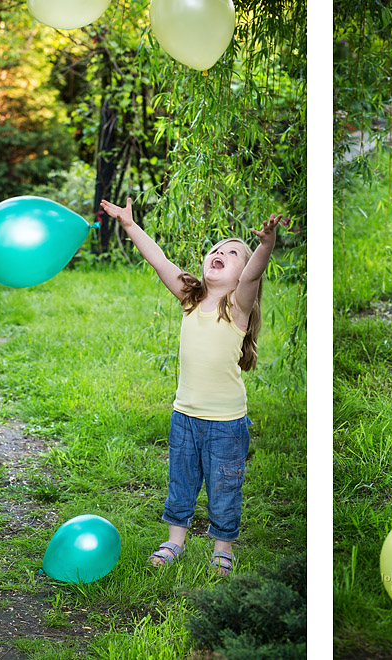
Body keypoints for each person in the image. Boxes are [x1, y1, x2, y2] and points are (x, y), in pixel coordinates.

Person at [99, 197, 288, 575]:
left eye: (232, 253)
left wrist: (265, 244)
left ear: (240, 274)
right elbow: (160, 261)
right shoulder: (191, 298)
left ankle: (222, 548)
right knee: (181, 482)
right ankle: (175, 540)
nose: (220, 253)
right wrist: (130, 226)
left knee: (224, 487)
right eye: (216, 249)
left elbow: (253, 276)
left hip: (226, 423)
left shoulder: (237, 307)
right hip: (184, 416)